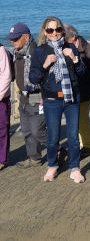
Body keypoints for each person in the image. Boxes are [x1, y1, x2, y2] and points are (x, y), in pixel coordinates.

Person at [29, 16, 86, 183]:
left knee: (73, 136)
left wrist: (75, 59)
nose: (54, 33)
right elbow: (33, 78)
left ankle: (75, 168)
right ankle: (52, 165)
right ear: (45, 32)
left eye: (57, 29)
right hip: (51, 100)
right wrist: (45, 65)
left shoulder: (70, 48)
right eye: (50, 30)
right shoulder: (40, 51)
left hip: (71, 98)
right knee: (53, 137)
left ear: (62, 30)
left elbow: (83, 73)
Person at [8, 22, 47, 168]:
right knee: (26, 131)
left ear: (26, 36)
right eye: (11, 39)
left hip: (37, 97)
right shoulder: (17, 52)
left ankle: (58, 150)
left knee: (37, 131)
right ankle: (35, 159)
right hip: (22, 97)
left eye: (16, 38)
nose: (12, 41)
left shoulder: (35, 51)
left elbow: (43, 75)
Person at [64, 24, 90, 158]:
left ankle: (88, 146)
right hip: (73, 89)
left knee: (82, 119)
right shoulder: (72, 47)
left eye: (66, 40)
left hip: (85, 90)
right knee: (76, 119)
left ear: (74, 37)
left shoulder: (88, 50)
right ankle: (82, 144)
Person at [0, 42, 12, 171]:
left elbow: (6, 75)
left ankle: (2, 159)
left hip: (1, 97)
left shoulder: (0, 50)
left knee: (2, 130)